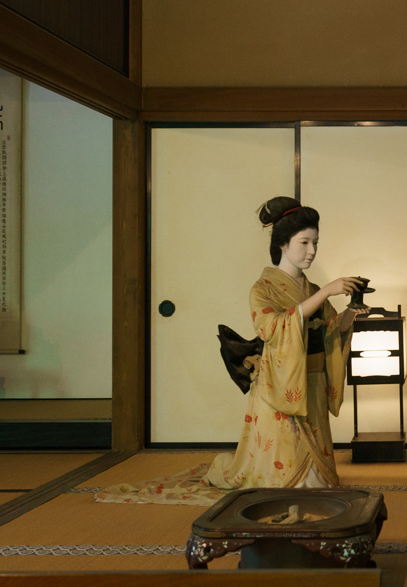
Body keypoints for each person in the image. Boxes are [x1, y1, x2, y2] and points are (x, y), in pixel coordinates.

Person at [97, 197, 363, 507]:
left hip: (312, 382)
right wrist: (326, 292)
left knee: (321, 480)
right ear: (282, 244)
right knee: (282, 464)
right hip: (282, 382)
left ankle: (311, 477)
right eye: (304, 242)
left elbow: (330, 329)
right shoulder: (263, 288)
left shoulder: (311, 288)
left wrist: (352, 313)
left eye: (315, 242)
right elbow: (272, 328)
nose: (312, 251)